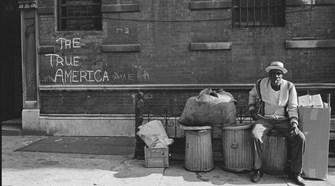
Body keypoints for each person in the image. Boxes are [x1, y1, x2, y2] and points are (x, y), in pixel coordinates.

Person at [248, 61, 306, 186]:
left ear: (282, 75)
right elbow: (252, 94)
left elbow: (292, 106)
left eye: (279, 74)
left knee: (300, 138)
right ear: (269, 75)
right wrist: (252, 109)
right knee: (255, 135)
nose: (276, 77)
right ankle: (258, 169)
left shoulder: (290, 86)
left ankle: (295, 172)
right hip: (265, 119)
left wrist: (294, 124)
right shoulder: (260, 84)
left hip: (283, 120)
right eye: (273, 74)